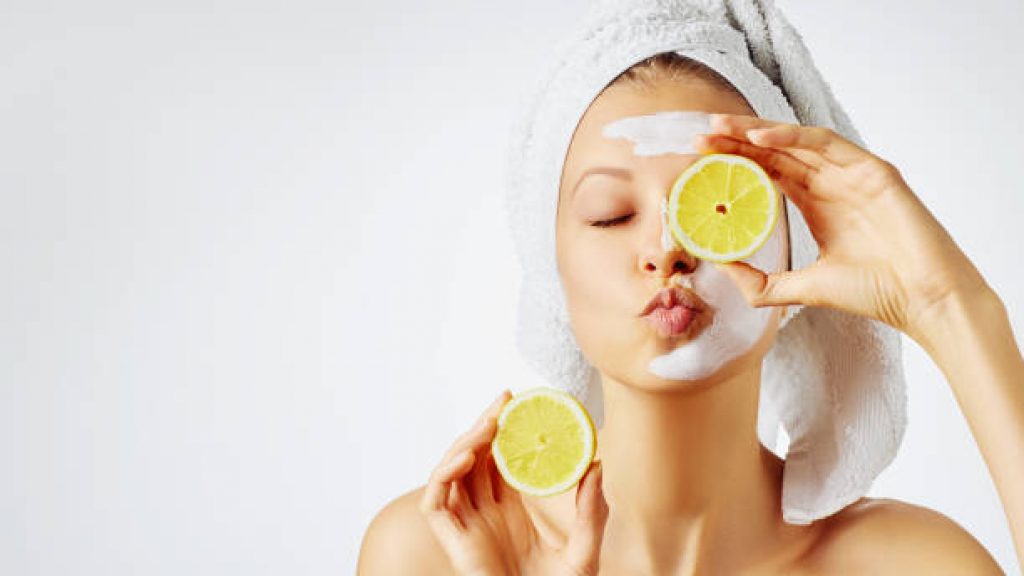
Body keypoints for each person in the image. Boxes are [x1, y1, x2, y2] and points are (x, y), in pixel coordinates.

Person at [357, 53, 1021, 575]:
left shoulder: (911, 565)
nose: (666, 248)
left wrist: (953, 307)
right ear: (546, 264)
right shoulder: (437, 551)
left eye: (718, 206)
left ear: (796, 239)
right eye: (610, 213)